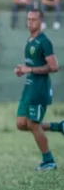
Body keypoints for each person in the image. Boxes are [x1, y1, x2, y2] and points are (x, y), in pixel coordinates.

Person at [15, 9, 62, 171]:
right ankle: (59, 127)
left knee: (34, 125)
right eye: (28, 19)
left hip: (39, 89)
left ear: (41, 22)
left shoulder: (44, 41)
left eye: (34, 20)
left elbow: (54, 67)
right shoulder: (30, 40)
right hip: (28, 87)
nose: (30, 22)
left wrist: (30, 70)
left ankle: (48, 161)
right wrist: (23, 70)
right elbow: (32, 65)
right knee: (21, 124)